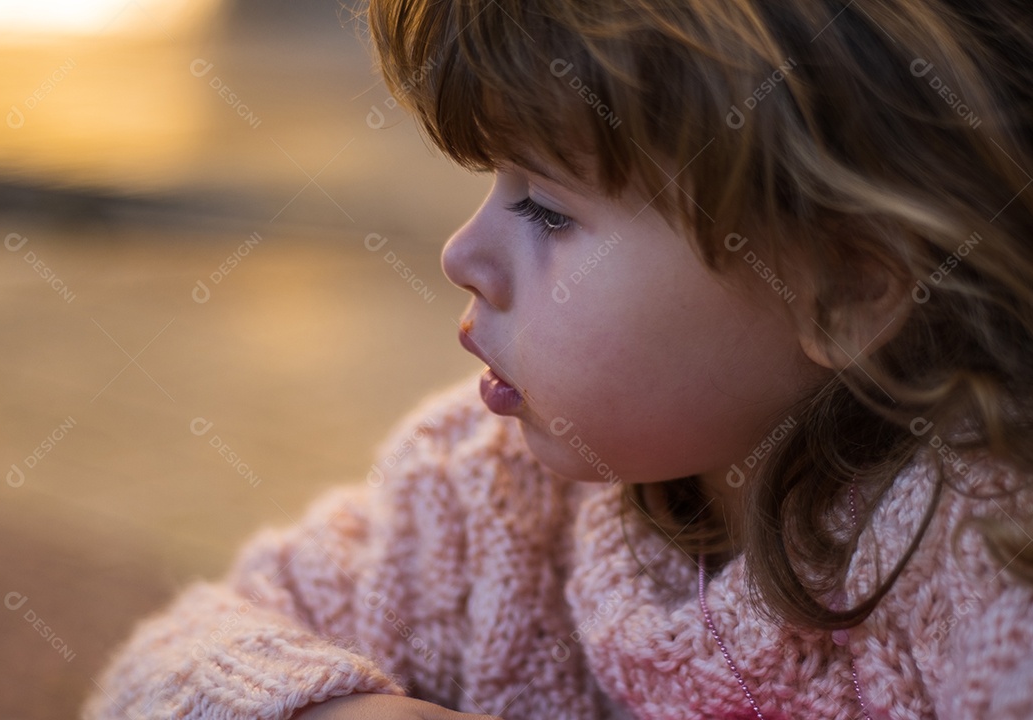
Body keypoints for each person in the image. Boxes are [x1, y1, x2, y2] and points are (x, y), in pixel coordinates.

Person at [83, 1, 1033, 717]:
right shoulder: (488, 500)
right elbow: (166, 666)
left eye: (545, 209)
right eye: (493, 184)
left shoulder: (983, 552)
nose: (461, 254)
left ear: (846, 289)